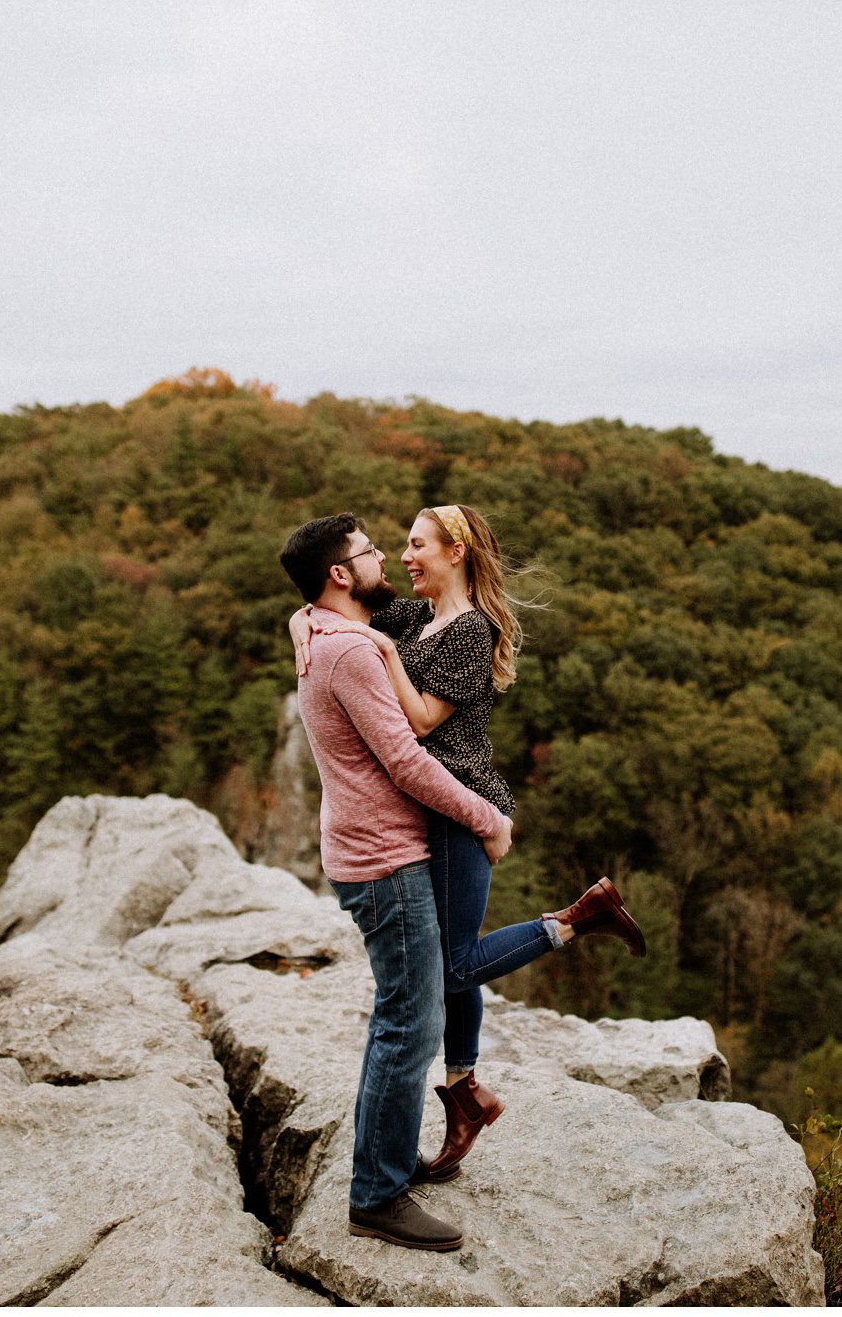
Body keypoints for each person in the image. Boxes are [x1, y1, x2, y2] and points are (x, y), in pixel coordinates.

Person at [289, 503, 645, 1187]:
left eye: (418, 545)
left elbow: (420, 720)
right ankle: (463, 1091)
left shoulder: (467, 632)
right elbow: (328, 611)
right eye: (398, 546)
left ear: (455, 553)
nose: (405, 556)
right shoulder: (413, 617)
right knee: (455, 959)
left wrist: (385, 656)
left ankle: (575, 921)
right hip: (429, 808)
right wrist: (303, 622)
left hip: (461, 806)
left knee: (452, 967)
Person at [277, 512, 510, 1253]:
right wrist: (489, 820)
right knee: (408, 1025)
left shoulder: (329, 631)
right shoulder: (348, 651)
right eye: (372, 550)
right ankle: (376, 1194)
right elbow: (408, 760)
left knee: (405, 1015)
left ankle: (388, 1160)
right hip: (385, 858)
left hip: (366, 852)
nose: (386, 557)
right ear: (341, 574)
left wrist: (305, 616)